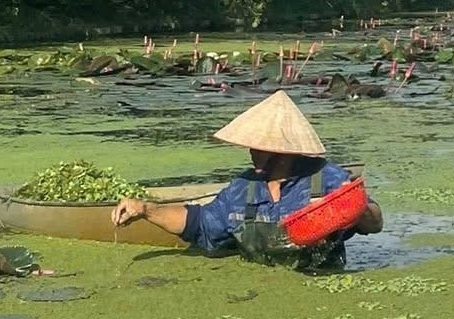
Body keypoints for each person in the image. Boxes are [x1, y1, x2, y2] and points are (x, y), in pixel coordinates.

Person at [110, 89, 382, 270]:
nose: (252, 152)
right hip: (257, 295)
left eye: (260, 147)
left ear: (282, 151)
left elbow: (375, 224)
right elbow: (201, 224)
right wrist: (146, 209)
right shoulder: (243, 188)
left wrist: (354, 206)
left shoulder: (325, 178)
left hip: (321, 287)